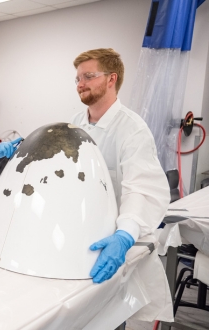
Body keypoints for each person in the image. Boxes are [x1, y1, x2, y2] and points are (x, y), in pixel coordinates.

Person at [71, 48, 170, 283]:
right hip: (78, 229)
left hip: (112, 237)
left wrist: (124, 235)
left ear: (111, 79)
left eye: (88, 76)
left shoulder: (133, 129)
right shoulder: (75, 123)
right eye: (77, 78)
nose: (80, 84)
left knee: (107, 307)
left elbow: (141, 188)